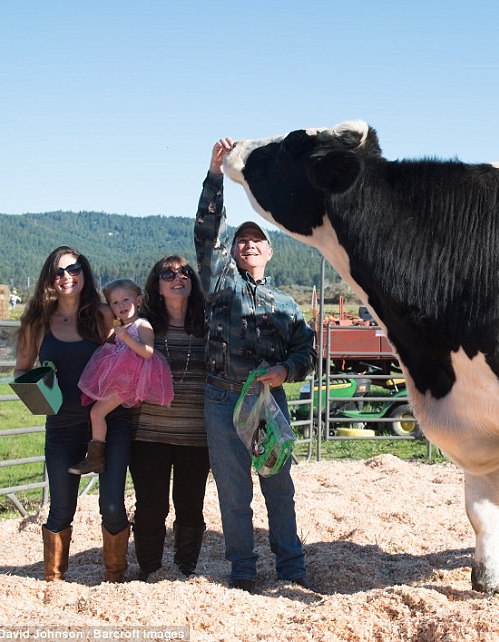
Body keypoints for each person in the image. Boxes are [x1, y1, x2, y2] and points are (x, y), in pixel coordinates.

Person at [195, 138, 317, 593]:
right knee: (233, 493)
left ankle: (291, 568)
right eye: (242, 239)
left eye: (257, 239)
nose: (248, 243)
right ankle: (242, 569)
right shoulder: (220, 284)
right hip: (222, 397)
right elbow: (209, 230)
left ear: (269, 252)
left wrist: (287, 371)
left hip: (267, 400)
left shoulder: (285, 303)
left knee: (278, 489)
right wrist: (215, 173)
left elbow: (308, 352)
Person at [14, 247, 131, 583]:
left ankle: (115, 578)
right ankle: (52, 581)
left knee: (111, 506)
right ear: (49, 279)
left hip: (110, 424)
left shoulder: (105, 315)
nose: (67, 277)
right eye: (58, 272)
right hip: (62, 425)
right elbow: (22, 369)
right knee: (61, 508)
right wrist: (39, 389)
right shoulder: (36, 323)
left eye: (74, 269)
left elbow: (130, 352)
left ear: (85, 271)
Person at [129, 256, 211, 581]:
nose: (177, 277)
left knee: (190, 506)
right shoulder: (144, 327)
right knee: (151, 507)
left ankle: (185, 569)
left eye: (184, 272)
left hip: (196, 435)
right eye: (168, 273)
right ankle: (150, 569)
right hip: (148, 432)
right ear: (157, 286)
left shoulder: (208, 326)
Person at [71, 279, 173, 475]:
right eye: (115, 303)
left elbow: (148, 352)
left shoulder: (141, 325)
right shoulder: (122, 327)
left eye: (126, 299)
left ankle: (95, 458)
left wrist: (126, 338)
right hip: (121, 379)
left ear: (139, 300)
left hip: (129, 382)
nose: (121, 305)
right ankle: (95, 453)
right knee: (95, 410)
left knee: (97, 413)